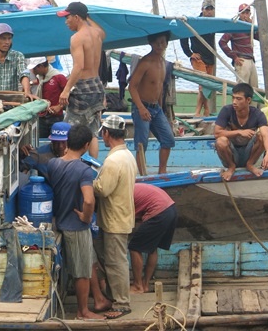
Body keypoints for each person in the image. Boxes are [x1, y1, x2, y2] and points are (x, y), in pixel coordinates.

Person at [43, 124, 109, 320]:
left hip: (60, 220)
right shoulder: (84, 170)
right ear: (87, 145)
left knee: (86, 265)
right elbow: (89, 199)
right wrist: (86, 217)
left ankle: (95, 301)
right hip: (76, 226)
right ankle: (83, 311)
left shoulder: (54, 164)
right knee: (81, 272)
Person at [93, 114, 138, 319]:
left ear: (106, 133)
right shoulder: (128, 156)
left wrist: (88, 181)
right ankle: (114, 297)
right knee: (114, 260)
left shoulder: (113, 160)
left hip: (114, 219)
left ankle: (121, 304)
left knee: (116, 262)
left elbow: (102, 190)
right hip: (123, 215)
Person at [57, 2, 106, 157]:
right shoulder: (98, 33)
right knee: (92, 133)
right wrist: (87, 17)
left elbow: (79, 67)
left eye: (68, 17)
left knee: (68, 130)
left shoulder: (76, 38)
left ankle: (69, 164)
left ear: (76, 17)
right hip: (97, 86)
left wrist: (65, 91)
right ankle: (93, 168)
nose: (66, 22)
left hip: (83, 88)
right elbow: (102, 31)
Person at [128, 31, 175, 174]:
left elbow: (159, 87)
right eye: (156, 42)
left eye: (162, 42)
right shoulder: (145, 62)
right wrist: (141, 108)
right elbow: (132, 87)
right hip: (142, 106)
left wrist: (161, 108)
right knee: (142, 144)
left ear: (167, 43)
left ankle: (162, 172)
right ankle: (142, 175)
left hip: (157, 108)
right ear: (151, 43)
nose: (159, 45)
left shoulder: (163, 63)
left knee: (168, 139)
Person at [213, 82, 268, 181]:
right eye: (233, 98)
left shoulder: (258, 114)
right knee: (220, 141)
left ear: (248, 100)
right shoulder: (226, 110)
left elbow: (266, 134)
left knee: (261, 136)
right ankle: (231, 167)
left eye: (239, 99)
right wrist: (239, 132)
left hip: (249, 152)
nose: (234, 102)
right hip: (230, 153)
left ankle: (249, 164)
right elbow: (217, 133)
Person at [129, 183, 178, 294]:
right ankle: (145, 284)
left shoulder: (123, 194)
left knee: (134, 248)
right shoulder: (133, 187)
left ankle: (137, 286)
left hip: (159, 211)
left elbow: (127, 219)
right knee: (152, 247)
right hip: (171, 209)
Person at [180, 0, 217, 117]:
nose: (209, 11)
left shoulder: (215, 23)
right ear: (202, 10)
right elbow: (183, 34)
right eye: (207, 9)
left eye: (211, 9)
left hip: (210, 58)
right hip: (198, 58)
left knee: (207, 85)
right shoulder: (194, 22)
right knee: (203, 84)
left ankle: (205, 110)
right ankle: (199, 111)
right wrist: (189, 53)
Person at [218, 3, 259, 87]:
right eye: (243, 13)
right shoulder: (235, 27)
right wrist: (234, 57)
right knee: (242, 88)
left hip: (251, 60)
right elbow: (222, 42)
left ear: (250, 14)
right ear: (239, 14)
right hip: (242, 60)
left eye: (247, 13)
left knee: (254, 88)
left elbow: (260, 38)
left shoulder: (249, 28)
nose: (245, 15)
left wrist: (254, 26)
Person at [27, 56, 67, 138]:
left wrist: (59, 106)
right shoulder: (41, 77)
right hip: (41, 116)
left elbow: (69, 93)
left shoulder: (58, 77)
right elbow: (39, 82)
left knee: (57, 140)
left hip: (55, 117)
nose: (33, 71)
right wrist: (29, 84)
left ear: (41, 66)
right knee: (40, 139)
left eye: (35, 69)